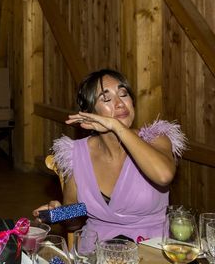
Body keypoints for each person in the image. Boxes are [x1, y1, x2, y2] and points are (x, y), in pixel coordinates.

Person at [32, 68, 187, 242]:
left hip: (152, 250)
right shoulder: (75, 154)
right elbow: (74, 222)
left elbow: (163, 175)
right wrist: (59, 213)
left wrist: (117, 127)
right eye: (106, 98)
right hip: (97, 253)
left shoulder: (155, 138)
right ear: (91, 113)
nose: (120, 103)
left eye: (123, 94)